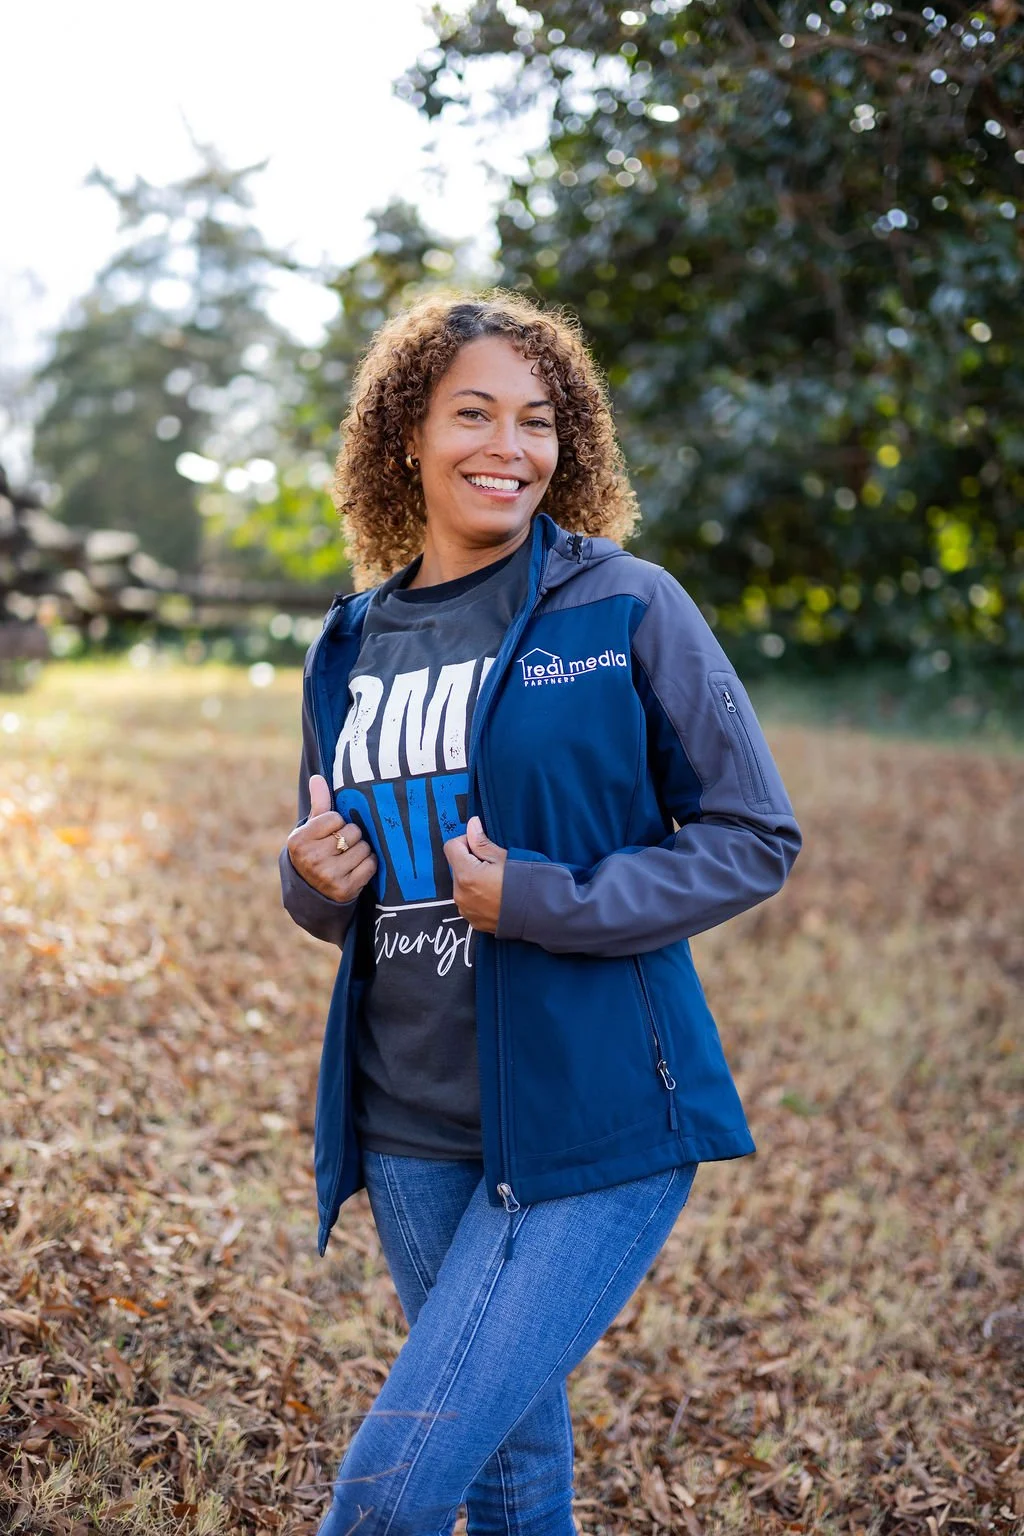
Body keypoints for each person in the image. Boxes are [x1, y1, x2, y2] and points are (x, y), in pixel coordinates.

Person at [278, 290, 803, 1536]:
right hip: (411, 1123)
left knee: (388, 1491)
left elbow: (753, 835)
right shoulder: (352, 639)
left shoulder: (624, 603)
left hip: (594, 1121)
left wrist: (544, 898)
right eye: (472, 413)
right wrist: (308, 878)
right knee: (512, 1483)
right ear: (407, 431)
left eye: (537, 421)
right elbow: (334, 873)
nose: (507, 447)